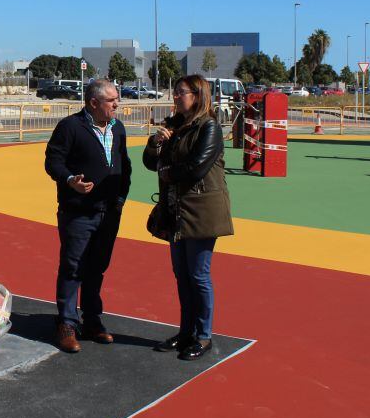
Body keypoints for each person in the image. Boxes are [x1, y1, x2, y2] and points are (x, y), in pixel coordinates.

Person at [143, 74, 233, 360]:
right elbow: (149, 162)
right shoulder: (172, 125)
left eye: (181, 92)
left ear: (197, 94)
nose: (176, 97)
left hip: (201, 211)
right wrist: (156, 142)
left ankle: (203, 336)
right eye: (175, 92)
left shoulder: (209, 127)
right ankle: (185, 332)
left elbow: (196, 168)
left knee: (198, 275)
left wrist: (167, 172)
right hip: (175, 210)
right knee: (182, 275)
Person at [44, 79, 132, 353]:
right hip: (78, 213)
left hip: (109, 213)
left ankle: (92, 319)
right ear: (93, 103)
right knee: (73, 268)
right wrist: (70, 180)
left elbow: (124, 165)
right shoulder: (70, 127)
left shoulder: (118, 128)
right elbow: (52, 161)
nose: (117, 104)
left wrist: (119, 199)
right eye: (112, 100)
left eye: (117, 99)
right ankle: (67, 324)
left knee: (97, 267)